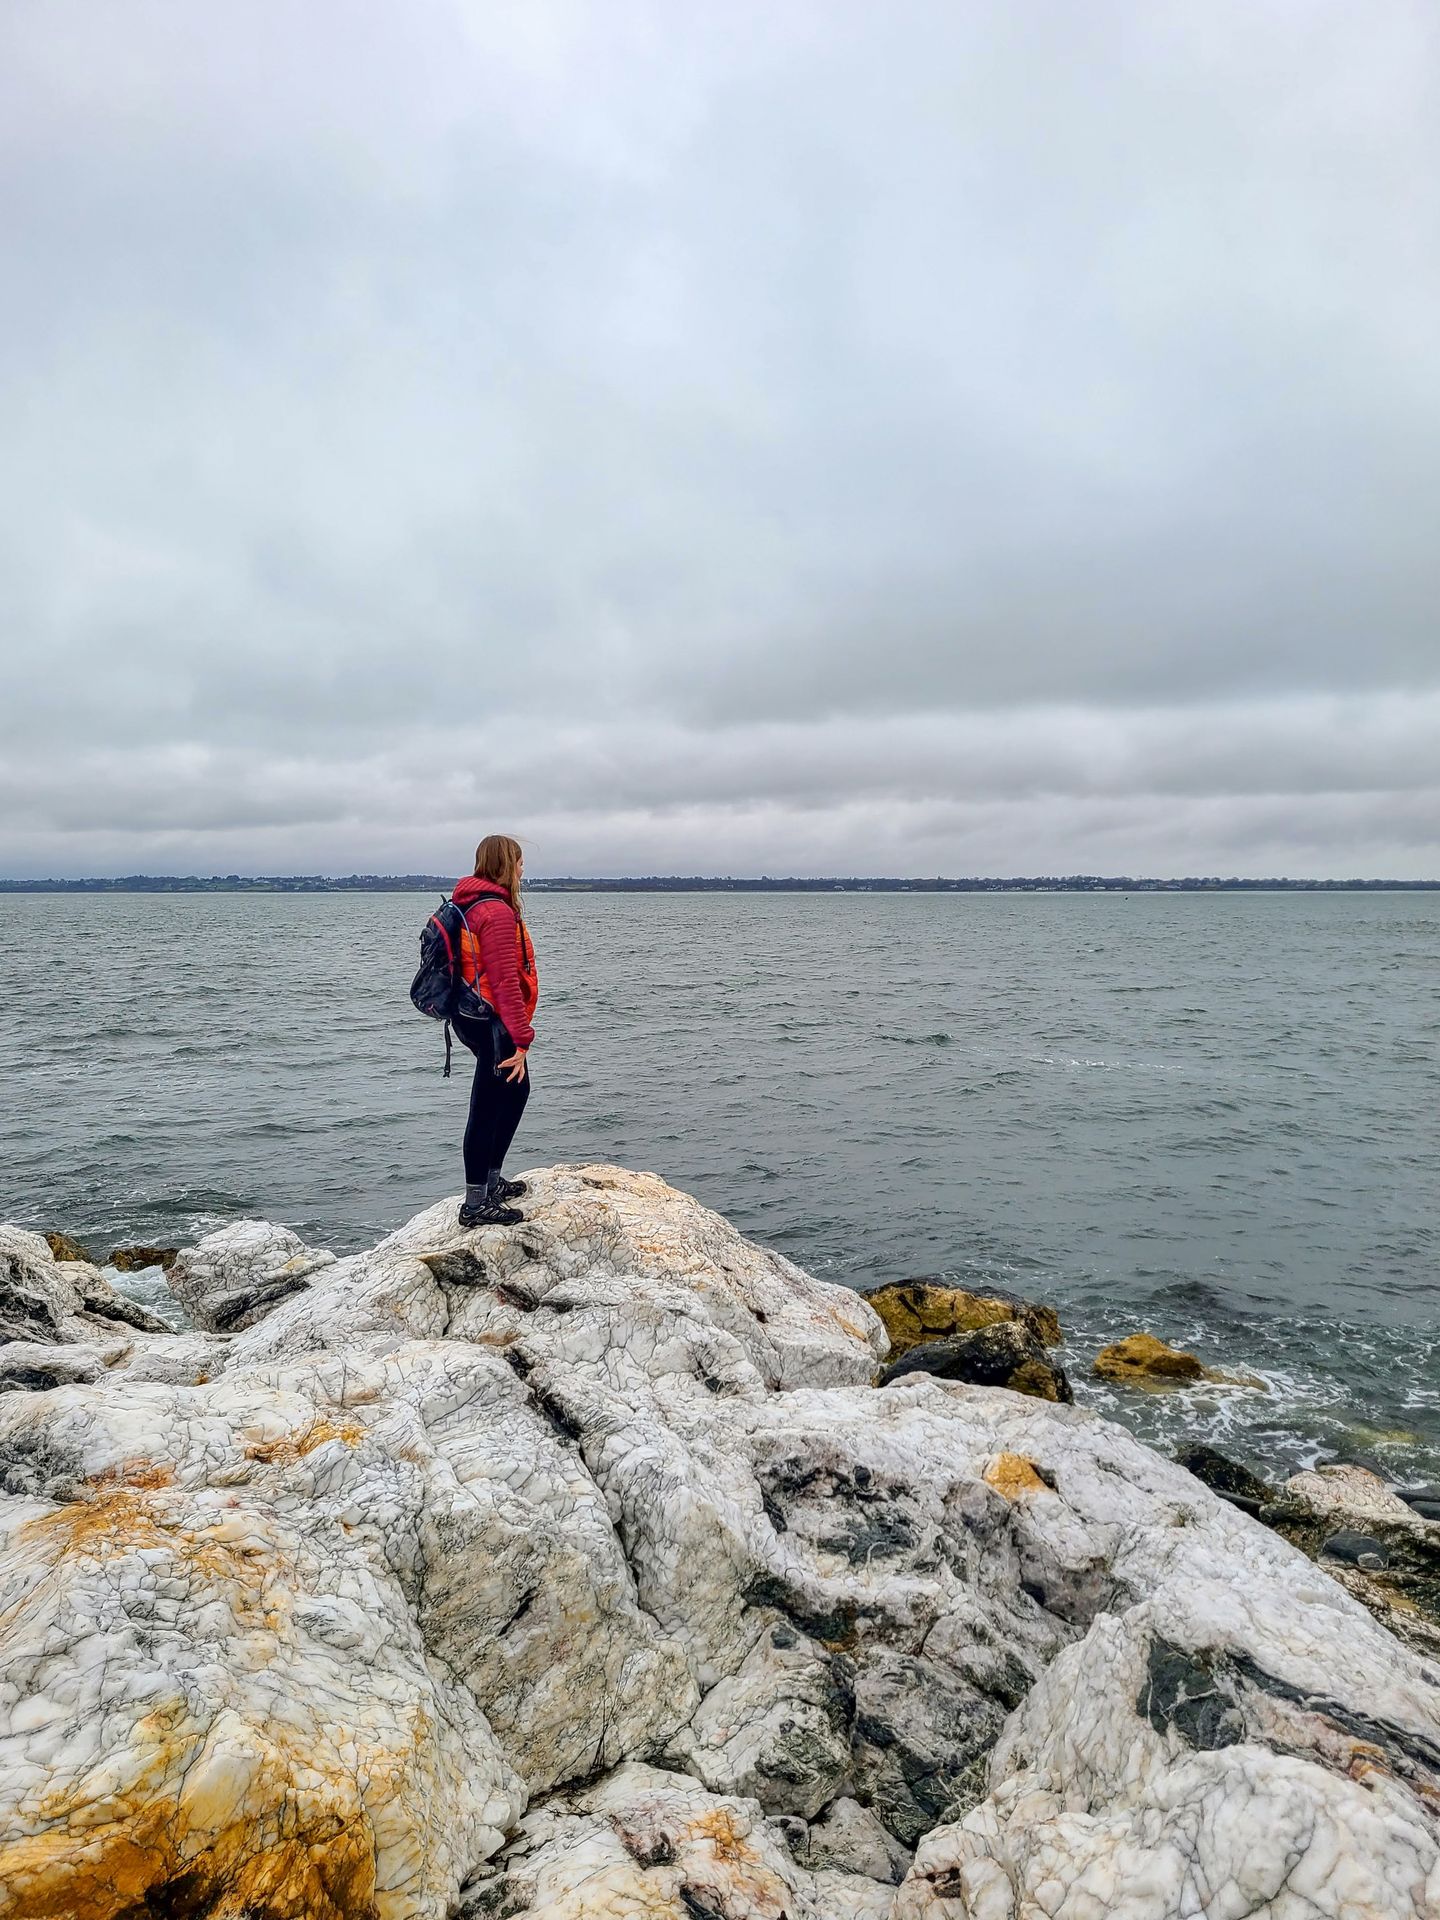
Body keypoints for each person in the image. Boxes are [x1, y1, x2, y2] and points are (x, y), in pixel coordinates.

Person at [450, 835, 538, 1228]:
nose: (523, 869)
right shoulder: (496, 912)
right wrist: (521, 1039)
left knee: (515, 1090)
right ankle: (475, 1203)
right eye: (519, 862)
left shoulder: (469, 902)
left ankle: (490, 1182)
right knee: (487, 1106)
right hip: (491, 1020)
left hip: (470, 1014)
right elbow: (504, 982)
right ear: (507, 864)